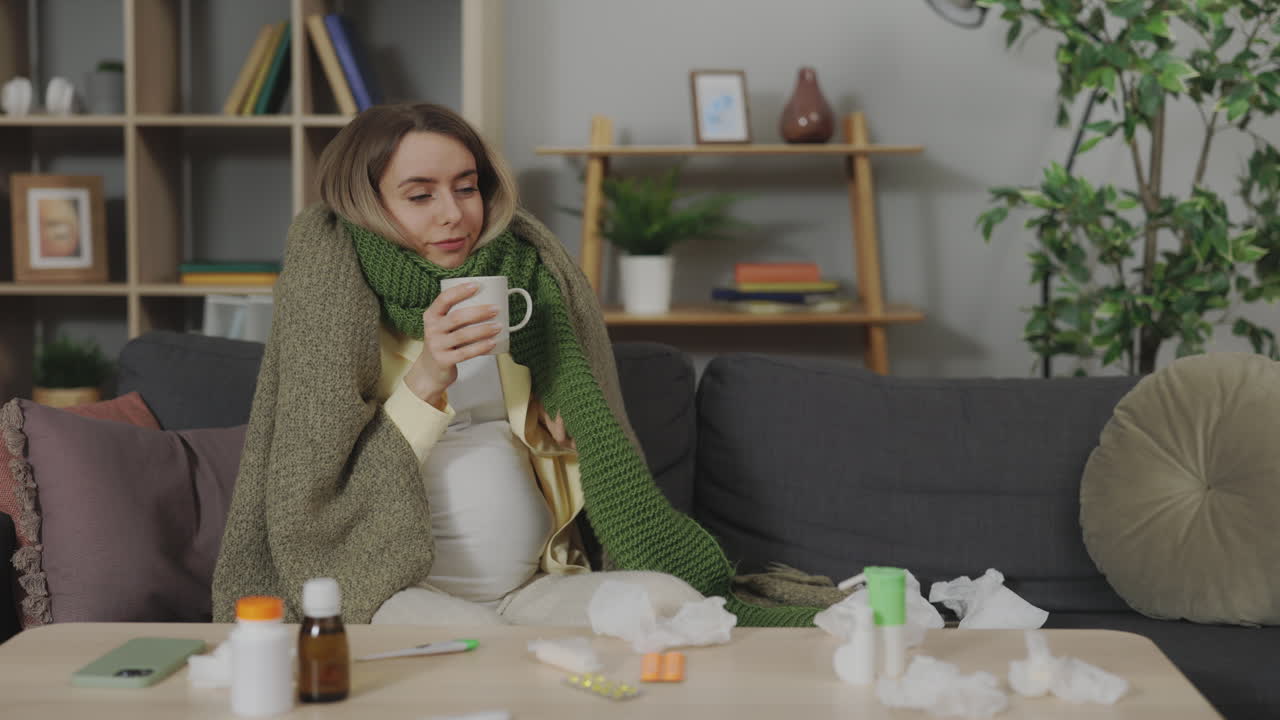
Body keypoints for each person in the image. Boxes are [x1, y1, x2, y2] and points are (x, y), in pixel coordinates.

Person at [211, 103, 831, 627]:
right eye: (420, 195)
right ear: (366, 202)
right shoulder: (333, 300)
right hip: (395, 590)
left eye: (466, 185)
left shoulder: (529, 279)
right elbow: (311, 487)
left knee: (677, 603)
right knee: (491, 657)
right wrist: (428, 375)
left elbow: (580, 474)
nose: (453, 213)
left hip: (536, 585)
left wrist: (565, 444)